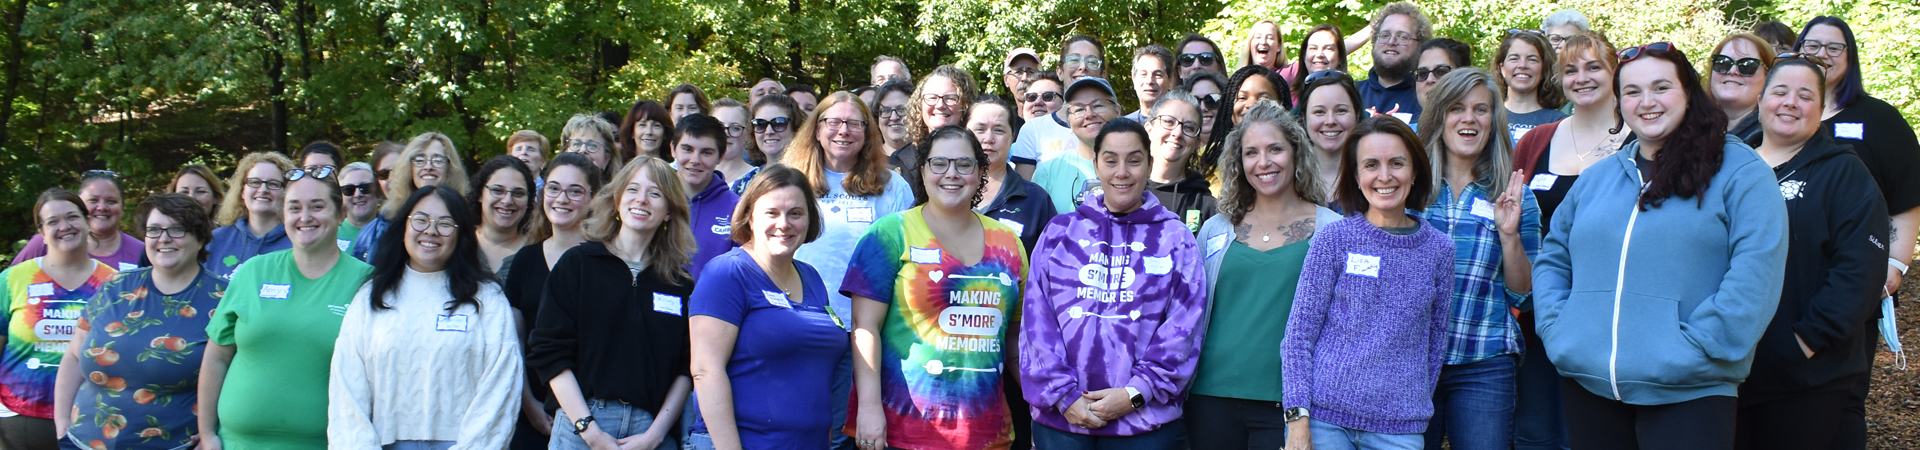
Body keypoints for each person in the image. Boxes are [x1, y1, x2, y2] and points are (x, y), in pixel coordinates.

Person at [1533, 42, 1788, 449]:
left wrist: (1700, 347)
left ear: (1688, 92)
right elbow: (1554, 257)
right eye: (1632, 91)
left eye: (1661, 87)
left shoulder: (1741, 173)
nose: (1646, 102)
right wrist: (1559, 329)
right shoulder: (1599, 178)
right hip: (1590, 385)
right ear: (1620, 103)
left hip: (1690, 390)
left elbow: (1756, 270)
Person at [1732, 54, 1886, 450]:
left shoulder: (1844, 173)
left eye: (1805, 96)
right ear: (1761, 99)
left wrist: (1805, 341)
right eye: (1780, 91)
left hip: (1807, 376)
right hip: (1728, 367)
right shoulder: (1728, 166)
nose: (1790, 103)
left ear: (1821, 109)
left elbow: (1860, 271)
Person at [1020, 119, 1204, 448]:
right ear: (1095, 164)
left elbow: (1183, 329)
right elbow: (1036, 325)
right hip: (1061, 422)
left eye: (1133, 160)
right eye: (1110, 160)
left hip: (1145, 424)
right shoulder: (1059, 233)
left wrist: (1135, 393)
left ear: (1148, 164)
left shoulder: (1176, 238)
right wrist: (1064, 396)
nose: (1122, 172)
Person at [844, 125, 1027, 450]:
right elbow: (864, 327)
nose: (951, 174)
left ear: (980, 170)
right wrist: (869, 409)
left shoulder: (1009, 243)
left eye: (964, 164)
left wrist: (1045, 401)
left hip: (987, 433)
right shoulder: (890, 233)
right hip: (903, 430)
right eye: (939, 163)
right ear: (924, 169)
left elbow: (1014, 338)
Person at [1281, 116, 1453, 450]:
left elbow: (1435, 345)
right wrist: (1297, 421)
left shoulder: (1439, 250)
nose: (1384, 176)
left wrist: (1410, 407)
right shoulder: (1334, 239)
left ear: (1415, 171)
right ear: (1357, 176)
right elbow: (1298, 336)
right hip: (1322, 422)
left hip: (1399, 431)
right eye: (1371, 165)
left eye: (1397, 163)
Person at [1189, 101, 1339, 450]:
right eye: (1251, 152)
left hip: (1291, 403)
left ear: (1296, 153)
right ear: (1239, 163)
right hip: (1209, 397)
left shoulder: (1332, 230)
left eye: (1275, 149)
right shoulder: (1215, 230)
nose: (1264, 162)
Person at [328, 184, 523, 448]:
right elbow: (347, 388)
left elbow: (502, 387)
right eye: (420, 220)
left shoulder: (487, 298)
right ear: (404, 227)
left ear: (461, 235)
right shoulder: (371, 296)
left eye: (445, 224)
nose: (430, 230)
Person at [199, 167, 376, 450]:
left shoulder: (366, 282)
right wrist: (207, 435)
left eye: (317, 207)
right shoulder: (253, 272)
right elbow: (216, 357)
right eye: (294, 207)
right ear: (283, 215)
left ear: (340, 214)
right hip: (236, 443)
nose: (304, 217)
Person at [528, 157, 697, 450]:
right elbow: (550, 350)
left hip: (651, 433)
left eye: (655, 193)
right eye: (632, 189)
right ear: (617, 199)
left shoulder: (679, 284)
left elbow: (686, 368)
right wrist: (588, 430)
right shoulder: (578, 265)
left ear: (669, 211)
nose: (641, 199)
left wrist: (655, 436)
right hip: (580, 426)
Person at [1507, 32, 1625, 450]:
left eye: (1594, 66)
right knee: (1537, 432)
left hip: (1614, 313)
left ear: (1614, 71)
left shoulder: (1640, 140)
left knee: (1597, 433)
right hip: (1544, 309)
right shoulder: (1535, 142)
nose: (1582, 77)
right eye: (1570, 69)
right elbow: (1515, 222)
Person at [1413, 68, 1539, 450]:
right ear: (1439, 117)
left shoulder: (1516, 195)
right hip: (1411, 359)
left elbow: (1525, 294)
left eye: (1480, 109)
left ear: (1493, 121)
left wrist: (1509, 234)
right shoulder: (1408, 188)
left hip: (1483, 360)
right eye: (1456, 108)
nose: (1469, 118)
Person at [783, 91, 916, 450]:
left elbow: (904, 260)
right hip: (800, 326)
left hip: (866, 333)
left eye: (854, 123)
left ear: (867, 131)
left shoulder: (892, 186)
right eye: (833, 122)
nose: (844, 131)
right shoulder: (790, 180)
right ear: (816, 128)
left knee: (850, 435)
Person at [687, 165, 849, 450]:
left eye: (795, 213)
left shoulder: (810, 277)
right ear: (749, 217)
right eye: (771, 213)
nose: (784, 223)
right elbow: (705, 369)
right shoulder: (726, 274)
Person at [52, 194, 222, 450]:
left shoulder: (223, 298)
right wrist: (62, 422)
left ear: (200, 237)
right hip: (82, 442)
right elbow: (75, 355)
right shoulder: (115, 286)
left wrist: (214, 432)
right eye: (154, 230)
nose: (163, 239)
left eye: (176, 229)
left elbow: (242, 375)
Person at [1801, 17, 1920, 344]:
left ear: (1850, 56)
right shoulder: (1780, 112)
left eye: (1834, 47)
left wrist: (1895, 264)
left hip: (1854, 275)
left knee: (1839, 378)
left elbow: (1908, 195)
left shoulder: (1880, 119)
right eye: (1812, 45)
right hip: (1789, 273)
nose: (1822, 53)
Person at [0, 189, 118, 450]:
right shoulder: (11, 280)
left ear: (88, 222)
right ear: (41, 232)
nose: (64, 226)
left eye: (73, 217)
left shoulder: (114, 284)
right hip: (18, 418)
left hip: (89, 415)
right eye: (53, 221)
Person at [501, 153, 601, 450]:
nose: (562, 198)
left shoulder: (606, 261)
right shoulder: (525, 260)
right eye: (554, 188)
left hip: (591, 414)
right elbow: (513, 343)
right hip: (532, 411)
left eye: (575, 191)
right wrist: (529, 404)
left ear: (593, 198)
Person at [353, 132, 472, 262]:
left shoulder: (465, 217)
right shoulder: (385, 221)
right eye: (420, 160)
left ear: (449, 167)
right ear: (409, 167)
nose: (428, 167)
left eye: (438, 160)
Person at [968, 96, 1057, 251]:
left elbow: (1051, 263)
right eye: (980, 129)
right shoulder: (944, 189)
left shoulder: (1035, 200)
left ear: (1012, 137)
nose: (988, 139)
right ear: (965, 133)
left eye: (998, 130)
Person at [10, 171, 143, 271]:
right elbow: (8, 288)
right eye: (93, 200)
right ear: (79, 206)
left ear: (122, 208)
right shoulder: (43, 243)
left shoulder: (143, 252)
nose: (102, 207)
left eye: (111, 201)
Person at [1031, 77, 1119, 214]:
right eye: (1079, 109)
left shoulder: (1137, 165)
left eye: (1098, 105)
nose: (1089, 114)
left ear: (1117, 111)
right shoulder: (1047, 173)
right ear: (1068, 122)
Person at [673, 114, 744, 280]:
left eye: (706, 152)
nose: (695, 160)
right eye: (687, 149)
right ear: (672, 149)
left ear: (720, 156)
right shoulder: (656, 199)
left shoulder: (737, 209)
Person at [894, 66, 980, 200]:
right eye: (932, 97)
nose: (940, 105)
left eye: (950, 98)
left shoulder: (980, 155)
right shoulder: (900, 161)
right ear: (919, 105)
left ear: (965, 105)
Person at [208, 152, 297, 279]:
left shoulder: (298, 241)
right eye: (255, 182)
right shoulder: (217, 240)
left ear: (287, 192)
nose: (263, 190)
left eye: (273, 184)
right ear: (242, 191)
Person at [1195, 66, 1288, 186]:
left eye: (1263, 99)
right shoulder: (1204, 159)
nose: (1251, 104)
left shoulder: (1293, 157)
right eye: (1242, 98)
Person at [1144, 90, 1218, 233]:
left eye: (1189, 127)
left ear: (1197, 143)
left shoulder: (1207, 207)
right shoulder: (1125, 191)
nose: (1177, 133)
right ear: (1149, 129)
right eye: (1168, 122)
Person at [1298, 70, 1368, 201]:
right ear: (1304, 117)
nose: (1330, 121)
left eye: (1341, 111)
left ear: (1357, 114)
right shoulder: (1289, 180)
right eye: (1319, 112)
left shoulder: (1375, 174)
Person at [1357, 2, 1432, 122]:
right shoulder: (1351, 93)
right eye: (1385, 35)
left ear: (1420, 46)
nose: (1391, 42)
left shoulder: (1427, 98)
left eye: (1403, 37)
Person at [1496, 30, 1569, 144]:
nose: (1522, 65)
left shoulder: (1559, 123)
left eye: (1532, 59)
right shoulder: (1488, 116)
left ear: (1544, 69)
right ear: (1502, 68)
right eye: (1514, 58)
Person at [469, 156, 536, 273]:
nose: (507, 201)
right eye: (498, 190)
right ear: (480, 194)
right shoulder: (457, 244)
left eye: (518, 193)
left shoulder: (538, 252)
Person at [1708, 33, 1776, 142]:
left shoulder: (1773, 137)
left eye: (1747, 65)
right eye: (1723, 62)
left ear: (1769, 76)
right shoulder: (1690, 127)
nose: (1732, 71)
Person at [1285, 25, 1352, 106]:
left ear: (1340, 58)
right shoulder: (1288, 98)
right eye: (1313, 48)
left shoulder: (1351, 96)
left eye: (1328, 48)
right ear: (1304, 55)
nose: (1319, 54)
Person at [1410, 38, 1471, 125]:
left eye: (1441, 72)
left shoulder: (1484, 132)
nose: (1430, 80)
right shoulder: (1402, 136)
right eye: (1422, 73)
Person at [562, 113, 626, 181]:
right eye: (576, 144)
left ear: (606, 159)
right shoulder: (550, 189)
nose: (583, 150)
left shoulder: (618, 191)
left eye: (592, 145)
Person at [711, 99, 757, 192]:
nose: (726, 133)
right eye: (719, 127)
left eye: (735, 128)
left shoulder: (757, 180)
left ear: (748, 133)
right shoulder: (695, 172)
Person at [748, 93, 803, 169]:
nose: (769, 131)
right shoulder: (747, 180)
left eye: (779, 123)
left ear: (795, 128)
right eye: (760, 124)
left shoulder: (814, 177)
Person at [337, 162, 382, 254]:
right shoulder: (329, 234)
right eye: (349, 189)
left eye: (365, 188)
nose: (357, 194)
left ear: (379, 192)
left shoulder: (392, 233)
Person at [1123, 44, 1174, 124]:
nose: (1150, 81)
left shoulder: (1180, 124)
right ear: (1134, 80)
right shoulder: (1123, 126)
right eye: (1143, 74)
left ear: (1170, 81)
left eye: (1157, 75)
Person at [1182, 71, 1228, 152]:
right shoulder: (1176, 149)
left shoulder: (1238, 148)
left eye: (1211, 100)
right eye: (1195, 101)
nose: (1203, 108)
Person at [873, 80, 916, 157]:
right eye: (886, 110)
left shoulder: (930, 157)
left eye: (902, 109)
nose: (894, 117)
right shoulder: (867, 161)